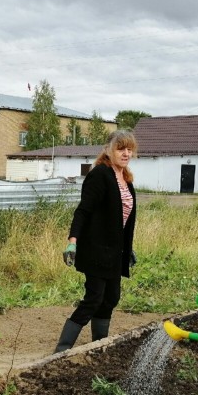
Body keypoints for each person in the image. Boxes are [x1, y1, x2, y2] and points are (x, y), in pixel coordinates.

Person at [54, 130, 138, 353]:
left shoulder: (126, 179)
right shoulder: (100, 174)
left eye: (129, 149)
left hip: (114, 252)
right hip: (95, 250)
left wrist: (127, 249)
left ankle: (98, 344)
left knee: (111, 297)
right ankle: (62, 349)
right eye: (121, 148)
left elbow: (122, 218)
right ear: (109, 150)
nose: (126, 153)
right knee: (94, 298)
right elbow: (83, 211)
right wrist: (73, 241)